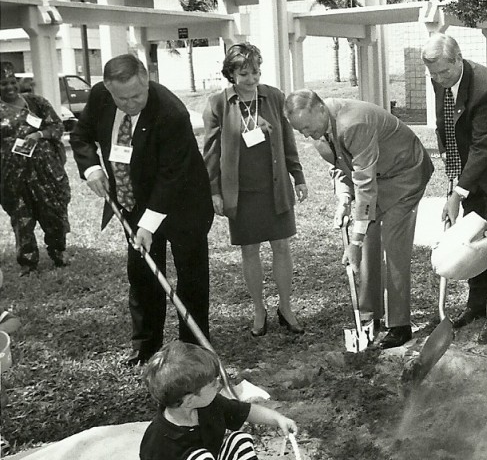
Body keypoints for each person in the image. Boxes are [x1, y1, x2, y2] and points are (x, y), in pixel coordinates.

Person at [70, 55, 214, 367]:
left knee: (191, 278)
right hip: (132, 199)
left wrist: (148, 224)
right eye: (121, 98)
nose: (130, 103)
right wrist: (92, 168)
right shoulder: (100, 97)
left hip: (183, 202)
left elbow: (171, 175)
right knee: (143, 275)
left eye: (137, 95)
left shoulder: (170, 112)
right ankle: (146, 347)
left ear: (146, 80)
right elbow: (80, 136)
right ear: (108, 90)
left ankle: (193, 349)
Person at [284, 90, 433, 349]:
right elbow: (340, 167)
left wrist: (354, 240)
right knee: (367, 245)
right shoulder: (320, 132)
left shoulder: (354, 123)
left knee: (393, 245)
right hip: (376, 177)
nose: (306, 134)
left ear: (321, 110)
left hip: (404, 173)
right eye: (300, 131)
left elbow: (364, 185)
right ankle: (369, 317)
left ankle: (399, 325)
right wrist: (343, 199)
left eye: (307, 127)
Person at [423, 33, 487, 344]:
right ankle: (475, 306)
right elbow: (446, 127)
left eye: (444, 72)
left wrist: (459, 192)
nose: (440, 80)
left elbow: (484, 146)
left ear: (458, 60)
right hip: (473, 173)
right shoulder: (441, 79)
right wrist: (454, 180)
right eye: (434, 75)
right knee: (470, 242)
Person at [202, 44, 308, 337]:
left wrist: (297, 176)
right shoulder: (218, 104)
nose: (252, 78)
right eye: (244, 73)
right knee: (249, 250)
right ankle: (259, 309)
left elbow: (288, 140)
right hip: (241, 191)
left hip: (274, 188)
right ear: (231, 74)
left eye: (256, 71)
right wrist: (214, 191)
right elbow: (210, 152)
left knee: (282, 246)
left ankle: (286, 307)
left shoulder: (273, 97)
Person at [140, 341, 297, 460]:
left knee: (241, 441)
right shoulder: (159, 439)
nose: (219, 383)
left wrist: (277, 419)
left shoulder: (210, 404)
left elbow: (245, 411)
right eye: (213, 382)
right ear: (189, 400)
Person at [0, 67, 71, 275]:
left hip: (45, 170)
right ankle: (28, 263)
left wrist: (39, 134)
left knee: (53, 212)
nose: (10, 87)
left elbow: (56, 126)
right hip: (13, 174)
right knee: (22, 217)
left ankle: (59, 252)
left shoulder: (35, 103)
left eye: (12, 81)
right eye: (3, 83)